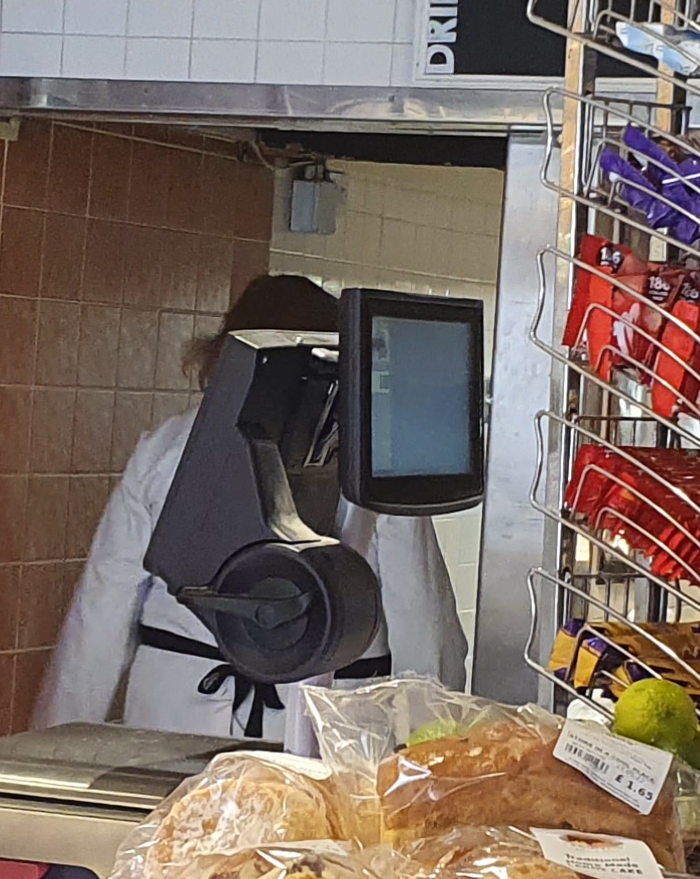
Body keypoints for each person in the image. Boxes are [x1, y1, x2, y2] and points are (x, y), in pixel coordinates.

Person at [31, 274, 465, 750]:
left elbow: (101, 613)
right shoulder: (371, 455)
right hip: (325, 722)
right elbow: (421, 618)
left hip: (177, 714)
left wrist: (54, 747)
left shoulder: (169, 449)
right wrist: (432, 746)